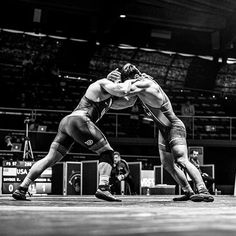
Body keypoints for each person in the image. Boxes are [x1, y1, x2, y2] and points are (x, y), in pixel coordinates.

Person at [12, 70, 136, 202]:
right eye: (118, 80)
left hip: (67, 123)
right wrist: (135, 81)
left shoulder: (109, 99)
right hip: (79, 121)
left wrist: (139, 90)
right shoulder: (101, 83)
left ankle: (22, 188)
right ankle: (103, 187)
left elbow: (129, 102)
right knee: (107, 152)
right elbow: (122, 90)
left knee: (50, 158)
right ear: (114, 79)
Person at [109, 63, 214, 202]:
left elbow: (122, 90)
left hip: (174, 126)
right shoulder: (140, 89)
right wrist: (107, 103)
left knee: (181, 160)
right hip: (163, 129)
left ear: (134, 77)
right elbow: (125, 103)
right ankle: (188, 191)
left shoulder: (146, 83)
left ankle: (203, 190)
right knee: (168, 164)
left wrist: (112, 82)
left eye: (128, 80)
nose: (127, 83)